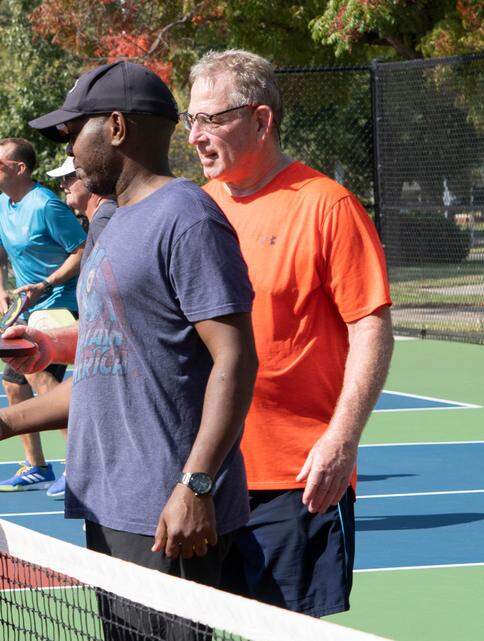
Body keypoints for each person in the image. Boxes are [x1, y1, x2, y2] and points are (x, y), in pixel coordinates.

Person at [0, 61, 258, 597]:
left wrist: (195, 484)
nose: (67, 152)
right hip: (106, 502)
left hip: (170, 513)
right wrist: (3, 421)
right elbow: (101, 372)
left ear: (114, 128)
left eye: (71, 134)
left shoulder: (189, 219)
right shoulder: (108, 219)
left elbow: (236, 359)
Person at [186, 49, 393, 616]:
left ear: (261, 120)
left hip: (297, 481)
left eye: (211, 119)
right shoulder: (196, 211)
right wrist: (53, 345)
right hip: (207, 477)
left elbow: (370, 328)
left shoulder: (328, 205)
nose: (195, 137)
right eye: (190, 120)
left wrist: (342, 440)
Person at [0, 138, 86, 497]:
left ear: (20, 168)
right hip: (28, 310)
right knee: (15, 382)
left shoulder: (47, 205)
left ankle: (80, 468)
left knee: (43, 380)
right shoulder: (0, 205)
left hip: (60, 304)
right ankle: (37, 467)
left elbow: (82, 250)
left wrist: (46, 283)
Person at [46, 156, 116, 257]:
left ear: (90, 178)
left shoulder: (103, 219)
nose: (62, 184)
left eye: (68, 177)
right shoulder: (101, 215)